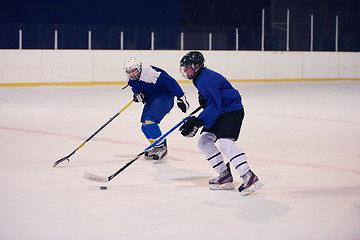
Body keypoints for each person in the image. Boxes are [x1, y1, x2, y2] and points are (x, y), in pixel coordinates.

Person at [179, 51, 263, 196]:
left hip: (231, 111)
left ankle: (249, 177)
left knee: (226, 144)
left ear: (197, 65)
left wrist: (198, 120)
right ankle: (225, 175)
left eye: (187, 67)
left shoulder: (205, 79)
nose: (185, 71)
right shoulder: (199, 77)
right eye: (184, 68)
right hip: (220, 111)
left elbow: (215, 105)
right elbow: (213, 101)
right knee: (204, 141)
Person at [124, 57, 189, 161]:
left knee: (150, 123)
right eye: (129, 71)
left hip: (165, 96)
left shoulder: (151, 73)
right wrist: (138, 95)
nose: (132, 74)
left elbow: (171, 82)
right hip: (152, 98)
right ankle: (157, 146)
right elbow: (138, 91)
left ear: (139, 68)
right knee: (145, 128)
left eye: (134, 70)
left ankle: (161, 148)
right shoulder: (129, 80)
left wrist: (181, 97)